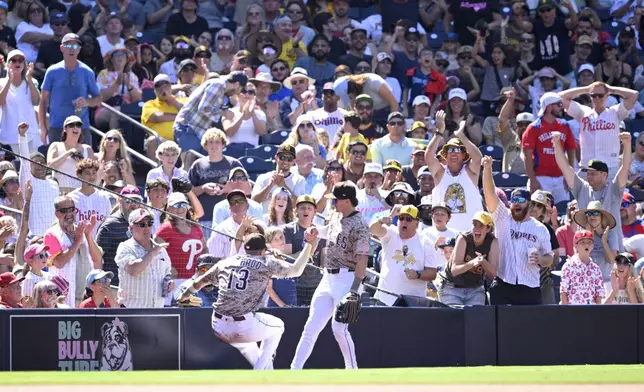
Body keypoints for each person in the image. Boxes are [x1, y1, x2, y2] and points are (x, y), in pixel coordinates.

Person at [179, 229, 319, 370]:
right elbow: (296, 270)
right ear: (263, 250)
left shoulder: (227, 262)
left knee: (250, 347)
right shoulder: (266, 262)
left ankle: (267, 375)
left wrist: (184, 295)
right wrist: (308, 245)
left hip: (218, 326)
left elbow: (199, 282)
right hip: (243, 325)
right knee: (278, 327)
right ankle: (258, 373)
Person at [291, 181, 369, 370]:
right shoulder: (336, 215)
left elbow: (363, 259)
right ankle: (294, 370)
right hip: (327, 277)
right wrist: (316, 231)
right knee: (310, 327)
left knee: (339, 328)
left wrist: (354, 289)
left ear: (347, 201)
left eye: (336, 200)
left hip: (347, 278)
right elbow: (331, 232)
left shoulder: (360, 224)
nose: (333, 203)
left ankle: (352, 371)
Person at [481, 156, 553, 305]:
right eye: (514, 201)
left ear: (530, 205)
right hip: (503, 284)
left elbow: (549, 258)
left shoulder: (540, 228)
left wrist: (540, 259)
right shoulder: (503, 217)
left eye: (520, 201)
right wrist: (487, 169)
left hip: (530, 287)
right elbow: (489, 193)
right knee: (500, 327)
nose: (516, 204)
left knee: (529, 328)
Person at [552, 132, 630, 250]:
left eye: (593, 173)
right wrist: (557, 144)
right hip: (586, 251)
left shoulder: (614, 189)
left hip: (612, 250)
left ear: (604, 175)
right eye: (588, 173)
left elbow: (625, 167)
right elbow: (565, 167)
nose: (589, 176)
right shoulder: (582, 188)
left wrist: (627, 144)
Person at [559, 81, 639, 179]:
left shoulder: (615, 112)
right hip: (587, 169)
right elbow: (562, 97)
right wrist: (587, 89)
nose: (597, 98)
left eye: (600, 95)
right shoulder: (583, 112)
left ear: (606, 96)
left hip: (609, 169)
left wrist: (611, 89)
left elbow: (634, 95)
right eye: (594, 95)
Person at [369, 204, 440, 306]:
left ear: (417, 223)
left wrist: (418, 274)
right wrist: (381, 220)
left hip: (413, 302)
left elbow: (432, 273)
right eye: (401, 218)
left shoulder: (426, 243)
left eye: (409, 219)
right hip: (385, 299)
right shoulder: (391, 233)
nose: (404, 222)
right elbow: (373, 230)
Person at [39, 33, 101, 144]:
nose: (72, 49)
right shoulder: (52, 71)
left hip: (81, 127)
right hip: (57, 127)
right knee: (56, 161)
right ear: (61, 48)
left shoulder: (87, 72)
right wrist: (43, 128)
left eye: (75, 46)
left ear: (79, 49)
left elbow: (98, 99)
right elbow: (43, 101)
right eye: (68, 46)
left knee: (84, 161)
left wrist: (87, 102)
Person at [425, 115, 483, 233]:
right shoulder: (440, 173)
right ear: (445, 156)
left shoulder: (470, 172)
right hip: (443, 235)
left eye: (457, 150)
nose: (453, 153)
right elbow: (429, 156)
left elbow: (478, 158)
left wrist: (461, 136)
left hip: (470, 234)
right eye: (449, 150)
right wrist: (439, 132)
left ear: (463, 155)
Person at [44, 196, 103, 307]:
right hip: (64, 296)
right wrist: (77, 241)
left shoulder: (80, 230)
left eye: (71, 209)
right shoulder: (51, 234)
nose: (69, 213)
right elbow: (59, 263)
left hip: (86, 295)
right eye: (64, 211)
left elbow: (97, 259)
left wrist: (88, 235)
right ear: (57, 214)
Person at [173, 72, 249, 155]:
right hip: (187, 127)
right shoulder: (218, 85)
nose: (236, 94)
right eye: (240, 90)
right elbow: (204, 107)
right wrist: (224, 113)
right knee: (190, 159)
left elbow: (209, 107)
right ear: (237, 84)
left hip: (197, 131)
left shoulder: (221, 89)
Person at [522, 92, 576, 202]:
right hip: (541, 178)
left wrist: (569, 175)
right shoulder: (534, 128)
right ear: (549, 107)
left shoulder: (565, 125)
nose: (562, 108)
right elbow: (527, 156)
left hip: (561, 178)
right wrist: (532, 179)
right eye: (559, 105)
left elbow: (571, 150)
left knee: (563, 210)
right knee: (540, 213)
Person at [188, 128, 243, 234]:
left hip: (230, 217)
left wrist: (228, 189)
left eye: (217, 142)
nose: (214, 145)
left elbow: (246, 188)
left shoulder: (234, 164)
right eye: (210, 142)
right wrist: (203, 188)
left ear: (223, 144)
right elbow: (188, 192)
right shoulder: (197, 165)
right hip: (204, 218)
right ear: (205, 145)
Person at [115, 208, 173, 308]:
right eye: (142, 224)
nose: (147, 227)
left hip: (157, 310)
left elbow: (168, 273)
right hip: (132, 310)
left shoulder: (161, 250)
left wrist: (169, 282)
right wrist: (152, 253)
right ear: (131, 228)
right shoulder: (125, 247)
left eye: (149, 223)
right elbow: (133, 270)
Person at [438, 211, 498, 306]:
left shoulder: (493, 242)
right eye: (475, 225)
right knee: (454, 319)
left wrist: (483, 262)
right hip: (452, 287)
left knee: (475, 320)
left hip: (475, 289)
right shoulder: (464, 238)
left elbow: (493, 274)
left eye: (481, 226)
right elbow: (454, 270)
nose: (476, 229)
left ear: (488, 228)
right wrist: (472, 263)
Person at [156, 192, 207, 296]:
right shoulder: (165, 229)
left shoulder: (196, 227)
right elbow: (154, 253)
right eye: (176, 205)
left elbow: (205, 249)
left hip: (195, 283)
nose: (180, 209)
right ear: (169, 209)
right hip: (173, 283)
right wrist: (167, 268)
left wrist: (204, 267)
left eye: (183, 205)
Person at [96, 185, 145, 286]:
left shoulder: (145, 224)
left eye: (136, 201)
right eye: (128, 200)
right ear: (120, 201)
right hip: (114, 286)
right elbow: (97, 257)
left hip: (137, 285)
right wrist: (99, 282)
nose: (133, 205)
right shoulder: (110, 225)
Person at [17, 124, 59, 236]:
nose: (39, 165)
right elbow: (24, 161)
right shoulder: (28, 180)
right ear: (29, 166)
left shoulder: (54, 184)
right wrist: (22, 136)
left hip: (54, 234)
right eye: (35, 162)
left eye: (41, 162)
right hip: (35, 235)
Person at [572, 200, 619, 292]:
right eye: (589, 213)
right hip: (585, 281)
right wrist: (588, 238)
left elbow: (612, 260)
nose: (592, 216)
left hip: (606, 281)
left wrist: (604, 241)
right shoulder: (580, 234)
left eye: (596, 213)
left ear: (602, 217)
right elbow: (578, 259)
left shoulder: (611, 234)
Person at [0, 50, 40, 154]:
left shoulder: (32, 81)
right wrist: (9, 80)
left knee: (31, 166)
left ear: (24, 64)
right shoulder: (1, 83)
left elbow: (36, 101)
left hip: (30, 133)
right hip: (9, 135)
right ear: (7, 64)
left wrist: (29, 79)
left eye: (20, 60)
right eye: (13, 60)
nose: (17, 63)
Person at [46, 115, 96, 194]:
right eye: (71, 125)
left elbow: (92, 173)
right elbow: (50, 165)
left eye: (78, 125)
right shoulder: (56, 145)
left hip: (81, 193)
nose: (75, 127)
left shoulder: (88, 149)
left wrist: (81, 161)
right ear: (65, 129)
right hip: (60, 192)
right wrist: (67, 154)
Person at [252, 143, 306, 213]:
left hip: (288, 221)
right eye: (282, 158)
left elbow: (299, 205)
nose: (285, 161)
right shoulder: (263, 177)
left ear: (293, 161)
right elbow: (254, 202)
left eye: (289, 159)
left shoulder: (299, 180)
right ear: (276, 158)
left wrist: (284, 186)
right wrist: (270, 185)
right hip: (266, 221)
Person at [67, 159, 112, 237]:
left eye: (94, 173)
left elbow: (108, 223)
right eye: (87, 173)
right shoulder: (70, 198)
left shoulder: (103, 197)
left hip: (99, 245)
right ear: (79, 174)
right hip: (78, 244)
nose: (91, 176)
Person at [560, 230, 605, 305]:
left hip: (591, 312)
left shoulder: (596, 269)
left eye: (589, 242)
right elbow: (564, 292)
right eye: (582, 242)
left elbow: (598, 294)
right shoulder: (568, 266)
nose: (586, 245)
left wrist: (598, 313)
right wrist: (565, 313)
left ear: (593, 246)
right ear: (576, 245)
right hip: (573, 311)